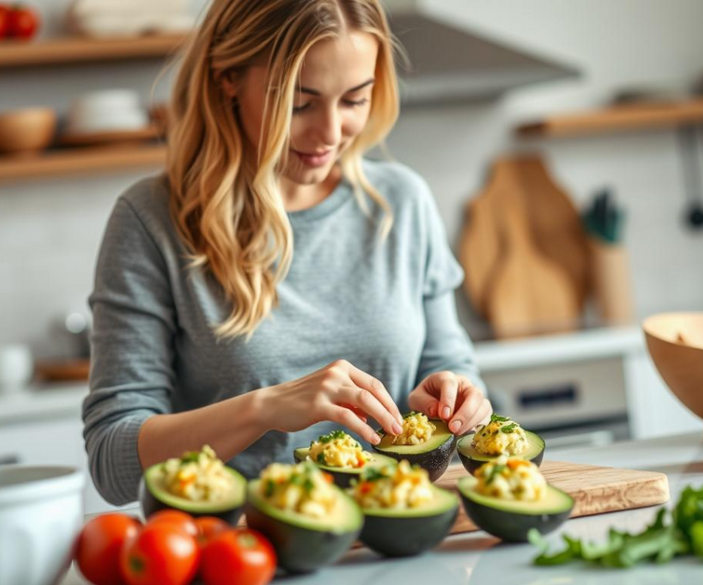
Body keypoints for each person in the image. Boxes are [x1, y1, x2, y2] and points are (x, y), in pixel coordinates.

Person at [83, 0, 491, 506]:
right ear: (229, 77)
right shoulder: (150, 220)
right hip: (236, 555)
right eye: (300, 103)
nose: (330, 133)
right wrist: (264, 408)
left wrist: (460, 401)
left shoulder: (402, 204)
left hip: (394, 536)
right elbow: (111, 460)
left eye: (354, 100)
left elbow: (452, 366)